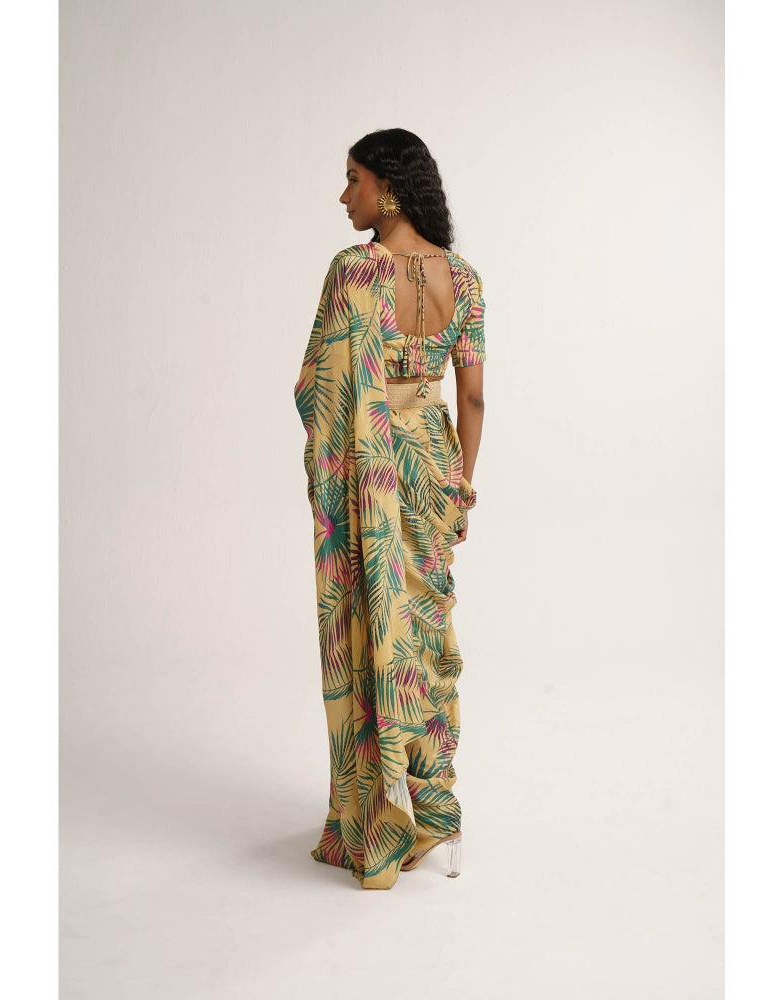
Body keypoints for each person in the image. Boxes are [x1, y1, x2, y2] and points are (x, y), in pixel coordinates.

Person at [294, 128, 486, 890]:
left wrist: (345, 441)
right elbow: (473, 397)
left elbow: (314, 383)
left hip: (373, 467)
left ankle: (381, 818)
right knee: (428, 634)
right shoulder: (463, 280)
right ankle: (438, 817)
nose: (345, 196)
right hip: (431, 463)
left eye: (355, 179)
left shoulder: (354, 273)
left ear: (390, 189)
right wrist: (461, 483)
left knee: (379, 629)